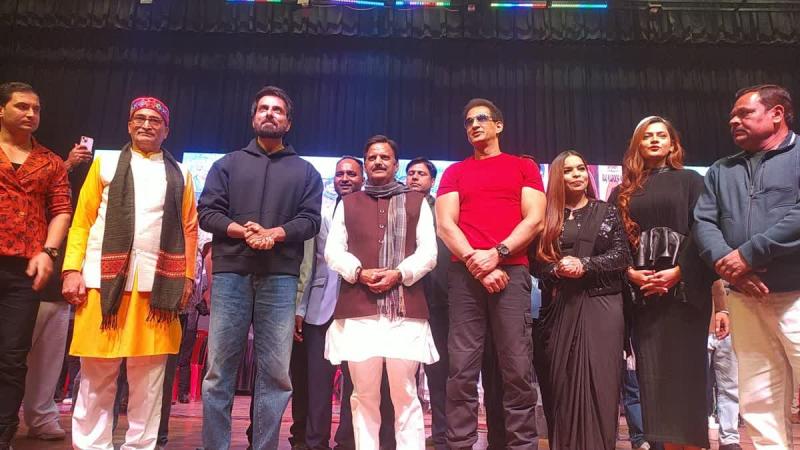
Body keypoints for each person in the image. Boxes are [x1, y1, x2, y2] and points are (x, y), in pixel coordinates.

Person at [62, 96, 198, 449]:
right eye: (140, 118)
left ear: (166, 130)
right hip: (102, 283)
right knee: (96, 373)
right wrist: (72, 269)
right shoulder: (105, 163)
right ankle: (91, 445)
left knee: (149, 379)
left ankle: (141, 446)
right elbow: (82, 221)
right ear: (128, 125)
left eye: (155, 120)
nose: (147, 124)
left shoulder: (180, 174)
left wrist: (187, 277)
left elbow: (189, 229)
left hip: (157, 289)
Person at [198, 85, 323, 450]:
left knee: (276, 375)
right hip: (231, 275)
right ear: (253, 117)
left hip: (280, 278)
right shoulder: (226, 165)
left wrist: (275, 234)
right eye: (264, 108)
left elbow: (310, 221)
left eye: (278, 110)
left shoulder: (306, 172)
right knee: (219, 372)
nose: (270, 113)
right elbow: (208, 213)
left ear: (288, 122)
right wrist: (246, 232)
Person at [693, 84, 800, 449]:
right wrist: (728, 264)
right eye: (732, 116)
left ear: (777, 114)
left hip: (796, 295)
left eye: (744, 113)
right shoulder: (721, 170)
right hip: (744, 298)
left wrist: (749, 255)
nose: (733, 121)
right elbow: (704, 223)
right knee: (758, 399)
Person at [436, 98, 545, 450]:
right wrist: (477, 263)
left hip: (512, 273)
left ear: (499, 125)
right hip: (465, 277)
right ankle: (460, 444)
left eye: (481, 119)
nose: (474, 125)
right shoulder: (455, 172)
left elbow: (535, 220)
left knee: (517, 369)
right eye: (468, 121)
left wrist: (497, 255)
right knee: (461, 370)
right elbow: (445, 225)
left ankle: (522, 445)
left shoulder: (522, 167)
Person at [324, 135, 438, 449]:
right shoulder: (349, 203)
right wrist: (359, 272)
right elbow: (333, 251)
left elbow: (429, 253)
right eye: (372, 157)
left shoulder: (416, 202)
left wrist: (399, 273)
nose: (378, 161)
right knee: (363, 395)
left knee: (405, 394)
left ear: (395, 164)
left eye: (384, 157)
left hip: (405, 311)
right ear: (365, 164)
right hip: (359, 310)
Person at [609, 115, 713, 450]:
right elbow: (613, 242)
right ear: (637, 145)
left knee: (687, 378)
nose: (654, 140)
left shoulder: (692, 181)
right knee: (653, 382)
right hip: (644, 299)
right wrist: (630, 273)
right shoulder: (621, 192)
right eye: (647, 136)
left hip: (684, 296)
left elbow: (703, 232)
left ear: (672, 144)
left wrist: (679, 271)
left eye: (661, 135)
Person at [531, 150, 631, 449]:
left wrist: (584, 264)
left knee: (602, 382)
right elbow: (536, 264)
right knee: (560, 384)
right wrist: (557, 269)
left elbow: (622, 256)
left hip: (603, 305)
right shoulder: (547, 216)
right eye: (568, 170)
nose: (576, 175)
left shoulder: (606, 211)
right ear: (557, 177)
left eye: (580, 169)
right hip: (560, 308)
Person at [0, 81, 73, 450]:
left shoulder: (50, 161)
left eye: (36, 109)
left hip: (24, 271)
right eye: (22, 106)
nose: (31, 114)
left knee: (12, 357)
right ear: (1, 110)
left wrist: (49, 252)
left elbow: (61, 211)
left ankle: (3, 434)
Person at [21, 143, 92, 442]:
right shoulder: (44, 171)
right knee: (13, 353)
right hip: (22, 275)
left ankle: (41, 416)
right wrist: (69, 163)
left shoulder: (70, 184)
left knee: (49, 359)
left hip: (56, 283)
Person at [298, 156, 364, 450]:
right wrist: (300, 308)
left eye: (351, 173)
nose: (345, 178)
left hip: (359, 307)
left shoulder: (371, 211)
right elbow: (308, 264)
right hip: (320, 307)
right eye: (340, 174)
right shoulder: (321, 212)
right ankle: (316, 443)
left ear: (362, 178)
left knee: (356, 383)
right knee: (317, 384)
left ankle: (348, 442)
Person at [405, 157, 450, 450]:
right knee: (403, 370)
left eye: (421, 174)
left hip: (439, 299)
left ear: (432, 181)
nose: (414, 178)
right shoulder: (398, 207)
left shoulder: (442, 210)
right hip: (404, 298)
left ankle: (443, 434)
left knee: (439, 369)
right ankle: (404, 434)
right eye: (410, 173)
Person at [707, 280, 741, 450]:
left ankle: (729, 439)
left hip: (731, 321)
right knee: (695, 387)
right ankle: (694, 435)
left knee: (730, 387)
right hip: (699, 321)